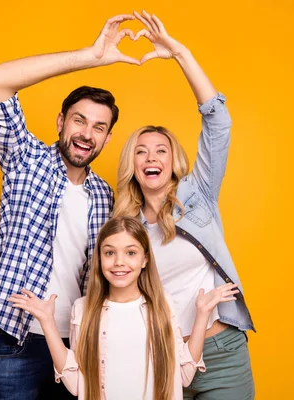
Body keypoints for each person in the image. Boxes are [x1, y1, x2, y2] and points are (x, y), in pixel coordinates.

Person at [0, 14, 142, 400]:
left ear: (107, 137)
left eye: (99, 127)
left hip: (77, 342)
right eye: (79, 121)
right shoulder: (25, 159)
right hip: (13, 337)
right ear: (60, 122)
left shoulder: (104, 195)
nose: (87, 133)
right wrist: (91, 55)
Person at [113, 11, 256, 399]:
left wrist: (180, 54)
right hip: (158, 357)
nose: (150, 157)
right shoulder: (124, 225)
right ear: (133, 165)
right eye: (140, 152)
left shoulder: (199, 196)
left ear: (173, 160)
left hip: (220, 352)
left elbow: (218, 122)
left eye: (160, 149)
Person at [8, 216, 240, 400]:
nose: (119, 261)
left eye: (130, 252)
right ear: (99, 258)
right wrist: (47, 322)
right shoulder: (83, 309)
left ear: (145, 259)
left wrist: (202, 315)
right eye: (110, 252)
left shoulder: (162, 305)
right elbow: (77, 385)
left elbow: (184, 375)